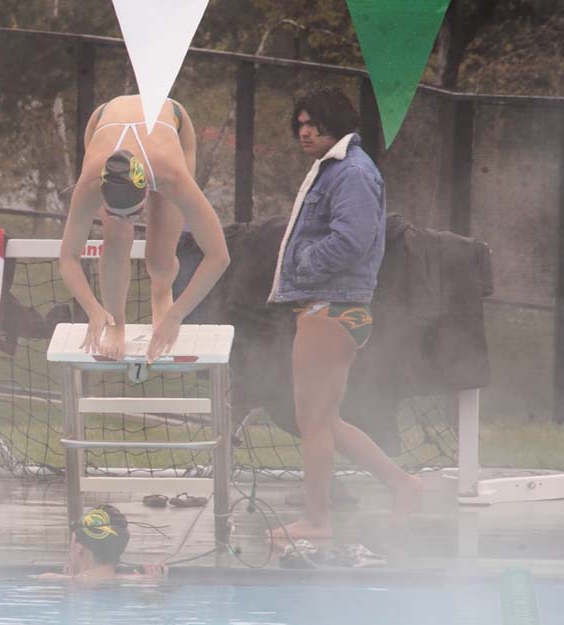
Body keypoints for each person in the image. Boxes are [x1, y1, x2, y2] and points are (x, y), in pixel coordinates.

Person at [268, 86, 421, 540]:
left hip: (331, 306)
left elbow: (353, 239)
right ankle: (403, 483)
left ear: (336, 122)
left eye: (313, 122)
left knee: (312, 421)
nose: (304, 131)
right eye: (299, 124)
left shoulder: (351, 171)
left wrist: (303, 262)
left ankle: (318, 520)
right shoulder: (337, 170)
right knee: (326, 419)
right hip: (336, 307)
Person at [59, 94, 229, 362]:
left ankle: (162, 294)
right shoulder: (91, 181)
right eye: (117, 213)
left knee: (160, 260)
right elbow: (68, 257)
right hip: (103, 119)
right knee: (115, 238)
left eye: (134, 214)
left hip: (172, 121)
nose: (128, 221)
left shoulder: (172, 176)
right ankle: (116, 323)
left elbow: (219, 256)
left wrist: (176, 315)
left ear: (147, 190)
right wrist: (94, 309)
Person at [36, 504, 166, 585]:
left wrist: (71, 583)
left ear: (79, 547)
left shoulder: (50, 580)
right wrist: (154, 582)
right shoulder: (139, 581)